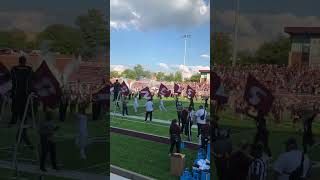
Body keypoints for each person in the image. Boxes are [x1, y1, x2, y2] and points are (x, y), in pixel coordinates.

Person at [10, 56, 34, 149]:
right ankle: (24, 141)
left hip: (16, 96)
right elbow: (34, 78)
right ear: (25, 61)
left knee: (19, 118)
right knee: (24, 121)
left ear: (19, 61)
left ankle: (22, 140)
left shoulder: (14, 69)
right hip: (25, 98)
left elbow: (10, 77)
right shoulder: (29, 70)